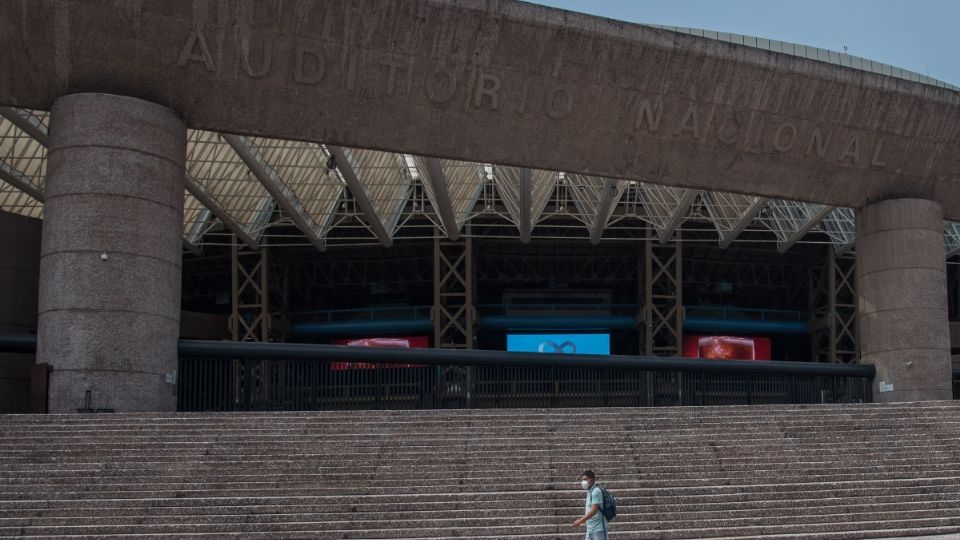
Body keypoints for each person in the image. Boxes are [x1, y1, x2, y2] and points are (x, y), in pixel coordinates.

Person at [572, 469, 609, 539]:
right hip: (591, 529)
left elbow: (593, 511)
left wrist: (580, 521)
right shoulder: (590, 491)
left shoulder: (596, 491)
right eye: (582, 480)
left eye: (585, 479)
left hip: (598, 529)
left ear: (591, 480)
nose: (583, 482)